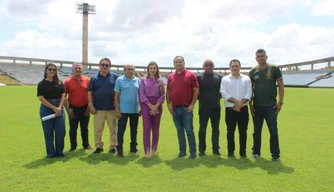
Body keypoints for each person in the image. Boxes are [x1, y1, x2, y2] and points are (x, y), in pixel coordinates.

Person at [249, 49, 284, 161]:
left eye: (262, 56)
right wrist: (250, 105)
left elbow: (281, 85)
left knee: (273, 131)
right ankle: (256, 152)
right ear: (256, 58)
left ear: (266, 57)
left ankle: (275, 155)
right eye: (258, 56)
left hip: (271, 106)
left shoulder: (274, 68)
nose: (260, 58)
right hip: (257, 106)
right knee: (256, 131)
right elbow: (250, 90)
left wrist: (280, 102)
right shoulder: (253, 71)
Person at [166, 56, 199, 159]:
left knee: (189, 130)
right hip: (175, 109)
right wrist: (168, 105)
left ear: (184, 63)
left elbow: (196, 90)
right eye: (176, 62)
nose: (178, 63)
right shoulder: (171, 76)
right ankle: (182, 151)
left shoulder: (191, 75)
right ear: (173, 64)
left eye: (180, 61)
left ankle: (193, 152)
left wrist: (192, 104)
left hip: (186, 108)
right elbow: (168, 92)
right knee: (179, 131)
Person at [221, 59, 252, 158]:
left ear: (240, 67)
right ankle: (230, 152)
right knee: (230, 132)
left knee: (243, 132)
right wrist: (236, 103)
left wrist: (240, 104)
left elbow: (249, 93)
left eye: (236, 66)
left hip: (243, 109)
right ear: (230, 67)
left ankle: (243, 153)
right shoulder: (225, 79)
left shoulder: (246, 79)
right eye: (233, 66)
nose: (235, 68)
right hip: (230, 110)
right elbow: (224, 93)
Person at [88, 58, 118, 154]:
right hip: (98, 109)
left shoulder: (115, 77)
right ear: (99, 65)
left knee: (113, 129)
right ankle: (99, 146)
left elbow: (118, 93)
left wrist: (118, 106)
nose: (104, 66)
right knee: (98, 129)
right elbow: (90, 93)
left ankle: (113, 146)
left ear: (110, 66)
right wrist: (91, 105)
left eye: (106, 65)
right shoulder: (94, 78)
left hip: (111, 108)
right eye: (103, 64)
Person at [37, 63, 66, 158]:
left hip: (59, 107)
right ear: (46, 70)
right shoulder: (41, 84)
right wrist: (54, 108)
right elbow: (41, 98)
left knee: (61, 131)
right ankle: (50, 153)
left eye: (54, 70)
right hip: (46, 108)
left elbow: (63, 95)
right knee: (48, 132)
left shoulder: (59, 83)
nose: (52, 71)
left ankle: (59, 151)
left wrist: (60, 107)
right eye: (50, 69)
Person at [196, 59, 223, 156]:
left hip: (216, 108)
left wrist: (217, 97)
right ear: (203, 66)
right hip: (203, 108)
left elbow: (223, 91)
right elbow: (194, 91)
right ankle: (201, 149)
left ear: (214, 66)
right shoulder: (198, 77)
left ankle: (216, 149)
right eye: (206, 65)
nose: (208, 67)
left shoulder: (219, 77)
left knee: (215, 129)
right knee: (202, 129)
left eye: (210, 65)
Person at [139, 61, 165, 158]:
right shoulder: (143, 80)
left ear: (157, 69)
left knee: (156, 128)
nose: (153, 70)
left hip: (158, 105)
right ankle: (147, 151)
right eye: (151, 68)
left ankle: (154, 149)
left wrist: (156, 106)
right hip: (146, 105)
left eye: (154, 68)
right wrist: (150, 106)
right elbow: (141, 94)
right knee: (146, 128)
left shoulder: (160, 81)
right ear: (148, 69)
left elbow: (162, 95)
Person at [114, 64, 141, 157]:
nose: (130, 71)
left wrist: (141, 108)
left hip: (135, 110)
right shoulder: (119, 80)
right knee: (121, 131)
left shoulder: (138, 80)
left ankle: (133, 148)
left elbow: (141, 96)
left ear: (134, 70)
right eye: (128, 69)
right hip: (123, 110)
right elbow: (116, 96)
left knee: (134, 130)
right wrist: (117, 109)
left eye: (132, 69)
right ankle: (120, 149)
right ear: (124, 70)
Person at [64, 63, 92, 152]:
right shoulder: (67, 82)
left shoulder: (87, 81)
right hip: (73, 108)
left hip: (85, 108)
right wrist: (68, 110)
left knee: (85, 128)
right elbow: (64, 97)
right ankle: (73, 146)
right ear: (72, 70)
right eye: (75, 68)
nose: (78, 69)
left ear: (82, 70)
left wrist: (89, 107)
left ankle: (86, 145)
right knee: (73, 128)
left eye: (79, 68)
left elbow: (91, 95)